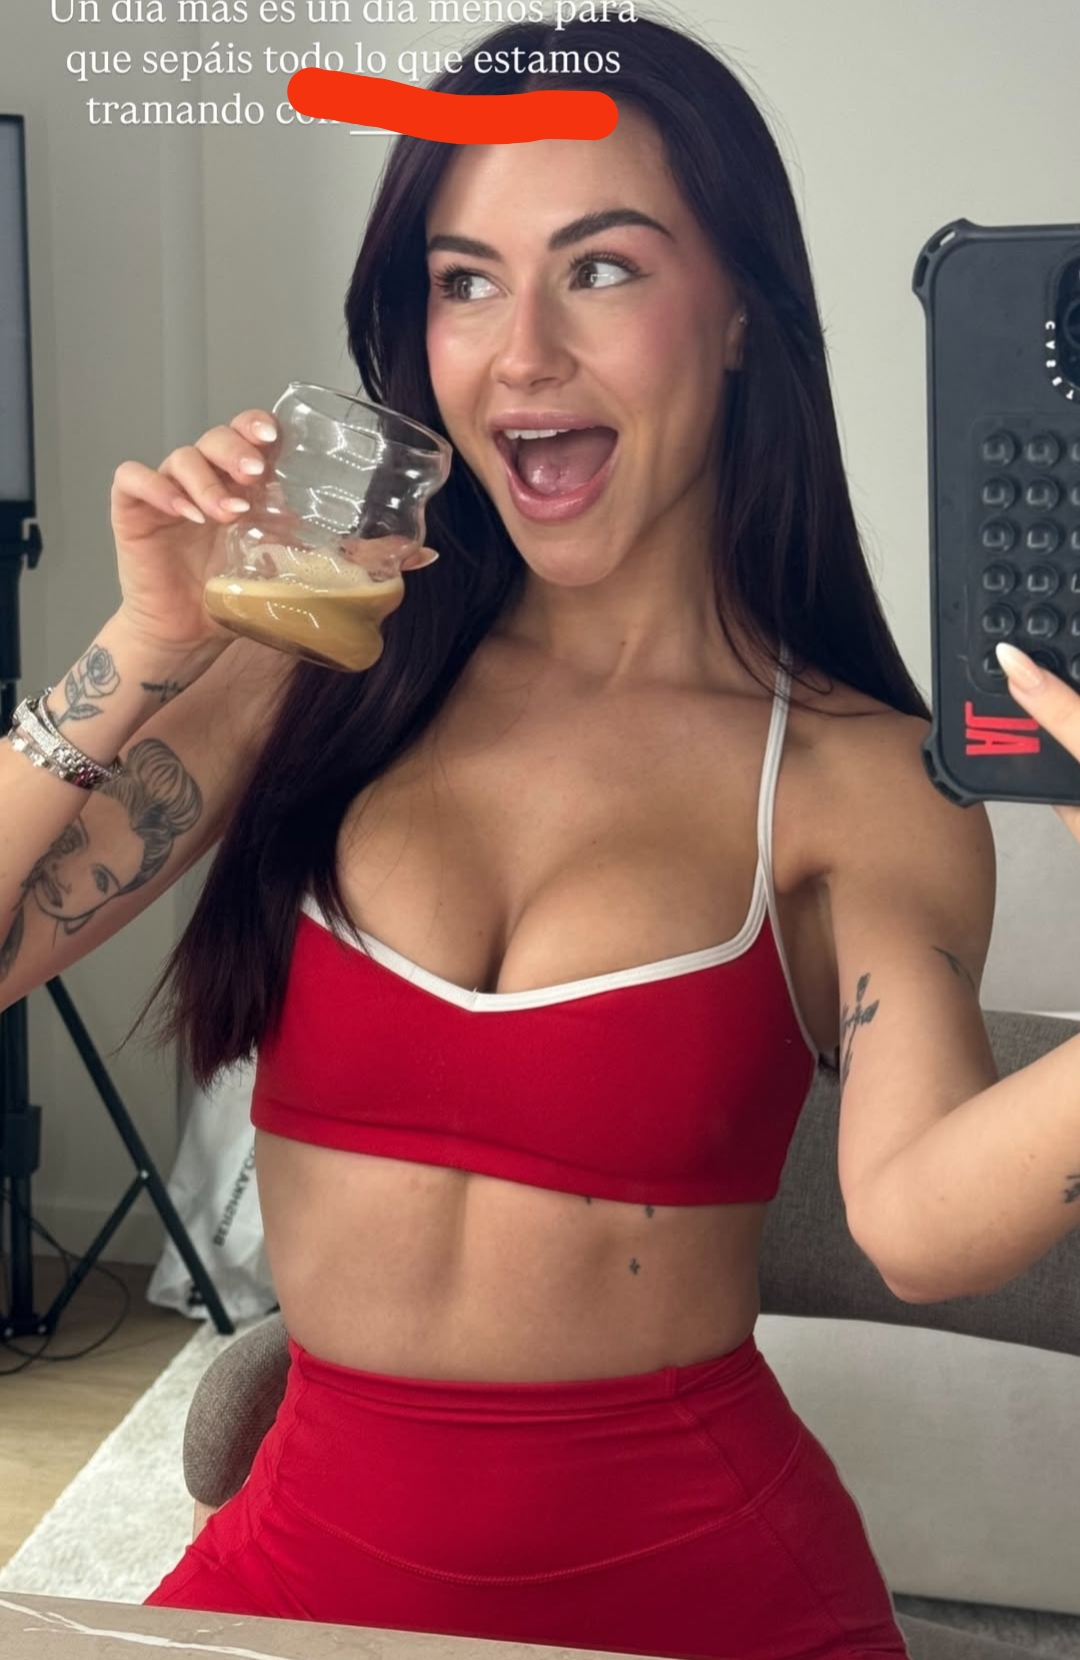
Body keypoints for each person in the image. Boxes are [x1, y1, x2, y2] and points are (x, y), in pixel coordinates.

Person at [3, 11, 1079, 1658]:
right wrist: (149, 640)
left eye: (602, 269)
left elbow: (926, 1230)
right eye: (465, 279)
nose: (520, 354)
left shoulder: (857, 773)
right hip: (300, 1579)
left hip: (709, 1604)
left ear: (742, 314)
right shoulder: (320, 663)